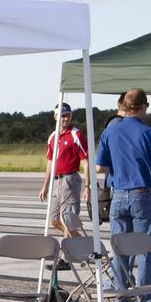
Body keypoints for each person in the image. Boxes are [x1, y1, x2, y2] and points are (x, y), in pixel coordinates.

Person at [94, 88, 151, 302]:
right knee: (145, 250)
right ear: (142, 106)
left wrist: (120, 165)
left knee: (120, 250)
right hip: (141, 195)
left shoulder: (110, 132)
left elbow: (99, 167)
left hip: (118, 196)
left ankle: (121, 301)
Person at [38, 102, 89, 244]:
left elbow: (85, 162)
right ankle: (89, 246)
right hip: (56, 181)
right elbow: (50, 162)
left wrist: (87, 186)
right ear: (55, 116)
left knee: (67, 221)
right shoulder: (53, 137)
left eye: (68, 116)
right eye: (63, 116)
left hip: (70, 180)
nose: (66, 119)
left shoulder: (76, 135)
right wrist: (45, 186)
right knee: (54, 221)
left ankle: (64, 258)